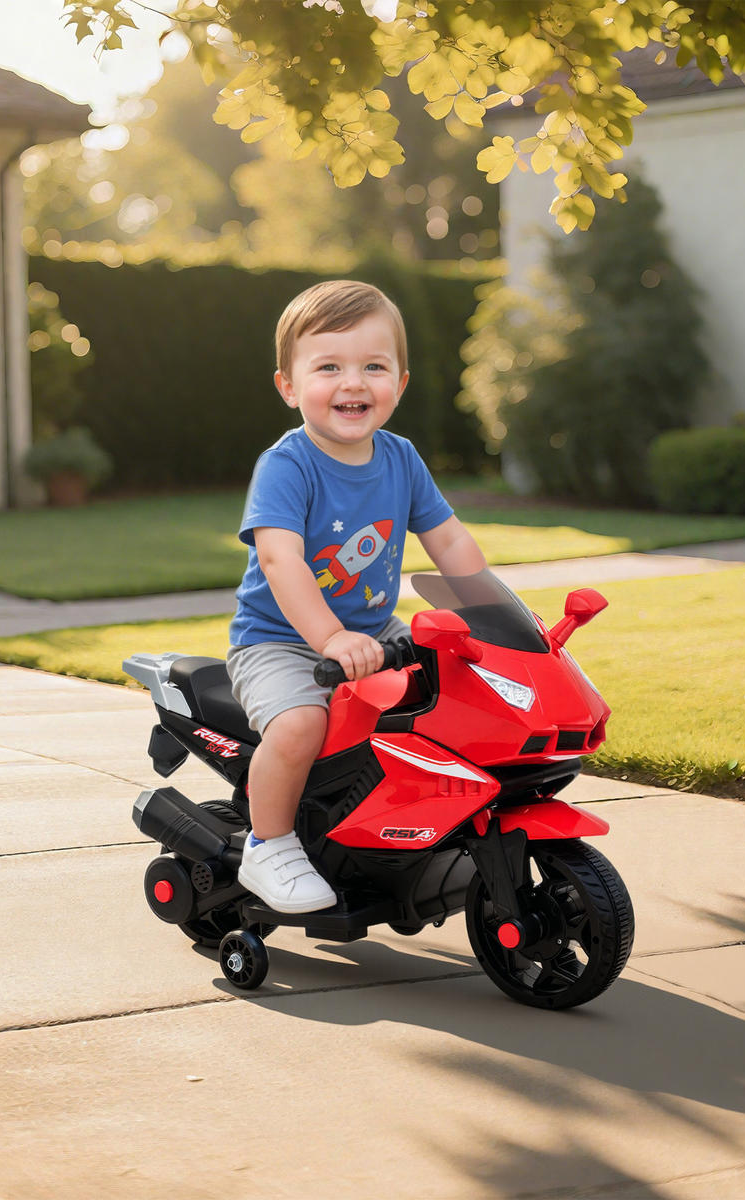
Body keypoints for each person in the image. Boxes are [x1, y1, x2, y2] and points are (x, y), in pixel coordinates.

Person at [228, 280, 487, 913]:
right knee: (299, 725)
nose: (353, 383)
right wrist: (330, 637)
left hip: (375, 631)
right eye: (329, 367)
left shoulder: (401, 458)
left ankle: (401, 820)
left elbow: (448, 539)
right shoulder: (288, 465)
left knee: (457, 684)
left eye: (374, 366)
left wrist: (489, 609)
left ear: (400, 383)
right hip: (281, 642)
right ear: (289, 386)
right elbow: (278, 557)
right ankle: (271, 843)